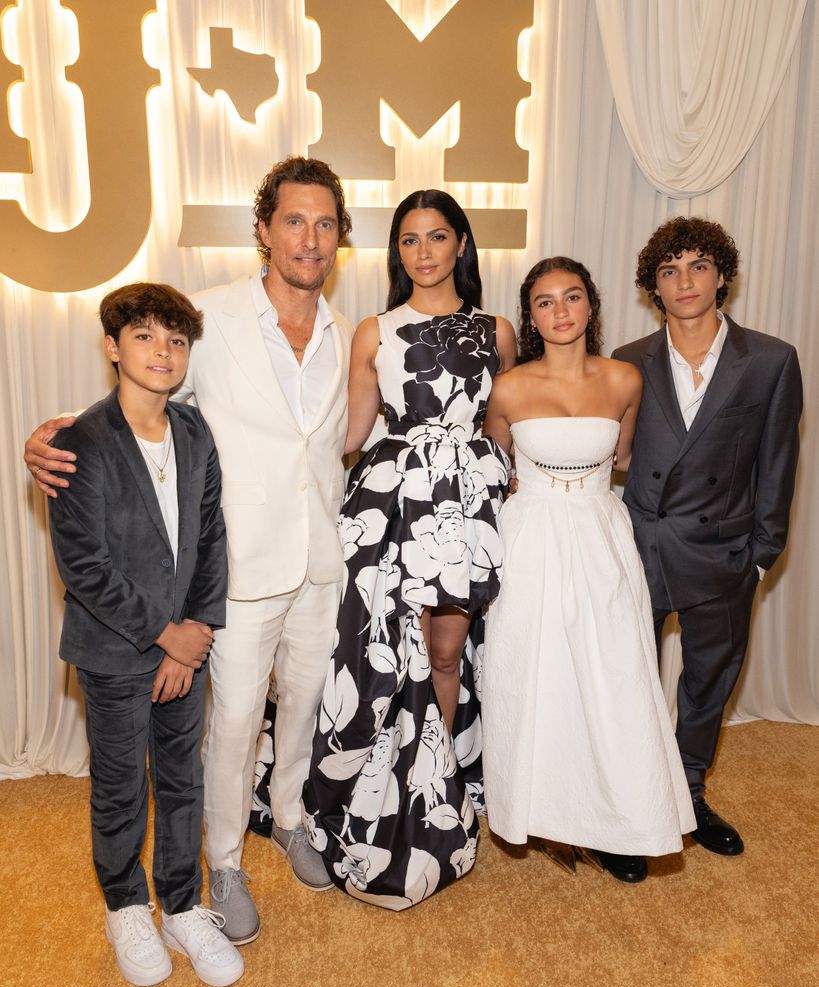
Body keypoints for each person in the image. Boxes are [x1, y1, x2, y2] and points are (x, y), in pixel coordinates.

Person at [25, 157, 354, 943]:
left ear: (340, 238)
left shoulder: (347, 330)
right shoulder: (211, 317)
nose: (308, 237)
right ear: (264, 230)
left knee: (302, 707)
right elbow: (146, 385)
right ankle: (224, 861)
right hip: (236, 566)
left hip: (318, 560)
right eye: (293, 220)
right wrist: (57, 432)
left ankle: (291, 816)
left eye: (324, 223)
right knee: (234, 721)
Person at [302, 190, 516, 909]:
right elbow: (351, 434)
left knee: (449, 652)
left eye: (435, 237)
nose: (422, 253)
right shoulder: (375, 331)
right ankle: (378, 788)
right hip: (389, 510)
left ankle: (442, 786)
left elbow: (504, 429)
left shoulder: (497, 330)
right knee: (388, 656)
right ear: (396, 253)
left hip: (467, 512)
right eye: (407, 241)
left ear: (460, 243)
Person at [46, 283, 243, 986]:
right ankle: (125, 903)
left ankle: (183, 904)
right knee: (122, 784)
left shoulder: (194, 433)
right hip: (116, 649)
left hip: (186, 643)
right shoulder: (83, 441)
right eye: (144, 336)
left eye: (176, 340)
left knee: (182, 777)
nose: (162, 351)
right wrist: (165, 635)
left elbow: (210, 537)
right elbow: (84, 566)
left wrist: (195, 630)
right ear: (111, 347)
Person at [481, 257, 695, 883]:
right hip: (530, 539)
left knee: (614, 679)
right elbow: (498, 463)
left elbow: (622, 455)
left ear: (591, 305)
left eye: (572, 297)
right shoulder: (510, 388)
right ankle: (543, 813)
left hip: (601, 536)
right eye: (545, 302)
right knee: (536, 675)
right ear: (532, 315)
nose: (560, 311)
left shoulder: (626, 379)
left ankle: (620, 822)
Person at [612, 217, 802, 863]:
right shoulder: (627, 360)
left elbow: (776, 462)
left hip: (722, 554)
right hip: (641, 547)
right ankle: (629, 810)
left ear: (721, 275)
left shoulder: (770, 360)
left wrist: (760, 556)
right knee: (627, 682)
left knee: (705, 685)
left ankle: (689, 793)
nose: (684, 280)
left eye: (697, 265)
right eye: (668, 270)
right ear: (652, 287)